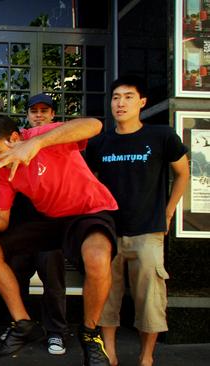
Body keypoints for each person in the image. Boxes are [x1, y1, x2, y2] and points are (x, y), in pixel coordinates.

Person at [0, 114, 118, 366]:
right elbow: (2, 222)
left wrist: (37, 143)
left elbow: (94, 125)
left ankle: (90, 334)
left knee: (97, 258)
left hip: (89, 210)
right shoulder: (0, 170)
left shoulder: (42, 136)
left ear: (15, 138)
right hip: (51, 219)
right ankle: (23, 324)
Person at [86, 76, 190, 366]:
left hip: (148, 230)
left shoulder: (162, 136)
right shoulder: (100, 143)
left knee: (150, 300)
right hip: (108, 231)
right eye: (116, 97)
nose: (121, 103)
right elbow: (88, 182)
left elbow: (183, 173)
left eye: (129, 97)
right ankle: (111, 354)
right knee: (107, 297)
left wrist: (168, 212)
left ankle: (146, 357)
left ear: (142, 102)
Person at [0, 93, 69, 356]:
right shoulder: (17, 141)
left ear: (52, 114)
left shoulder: (59, 141)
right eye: (34, 111)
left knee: (53, 283)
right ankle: (19, 327)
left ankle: (56, 333)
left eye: (44, 110)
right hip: (20, 226)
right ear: (27, 114)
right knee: (16, 281)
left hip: (51, 226)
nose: (39, 115)